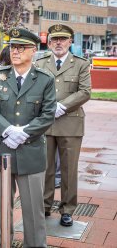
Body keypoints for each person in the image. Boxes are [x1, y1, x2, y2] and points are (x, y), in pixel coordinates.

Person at [0, 27, 56, 247]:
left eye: (21, 47)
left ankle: (34, 245)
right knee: (2, 207)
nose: (15, 51)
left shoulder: (45, 79)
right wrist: (6, 130)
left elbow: (48, 114)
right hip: (2, 149)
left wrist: (24, 132)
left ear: (34, 50)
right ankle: (2, 243)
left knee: (33, 208)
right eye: (13, 47)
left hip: (31, 152)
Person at [36, 24, 91, 227]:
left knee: (69, 169)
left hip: (70, 123)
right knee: (46, 168)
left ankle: (67, 210)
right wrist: (48, 108)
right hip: (45, 124)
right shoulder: (40, 63)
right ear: (49, 42)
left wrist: (62, 106)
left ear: (70, 42)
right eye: (54, 39)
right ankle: (44, 205)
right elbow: (34, 89)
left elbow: (85, 91)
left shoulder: (81, 64)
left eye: (63, 39)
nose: (58, 43)